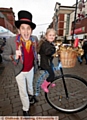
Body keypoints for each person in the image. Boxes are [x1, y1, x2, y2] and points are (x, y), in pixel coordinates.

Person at [2, 10, 38, 116]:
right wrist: (14, 56)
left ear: (31, 30)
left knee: (30, 86)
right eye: (23, 28)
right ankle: (25, 108)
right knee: (23, 91)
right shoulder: (11, 41)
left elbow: (36, 52)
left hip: (31, 68)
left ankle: (32, 97)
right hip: (19, 71)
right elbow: (4, 56)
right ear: (19, 29)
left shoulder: (34, 39)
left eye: (28, 29)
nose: (26, 32)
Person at [38, 28, 56, 93]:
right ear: (46, 36)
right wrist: (54, 49)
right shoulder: (45, 44)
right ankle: (44, 85)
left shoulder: (50, 43)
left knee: (52, 73)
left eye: (53, 35)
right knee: (52, 75)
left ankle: (50, 83)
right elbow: (47, 52)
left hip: (48, 62)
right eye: (50, 35)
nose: (52, 37)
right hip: (46, 63)